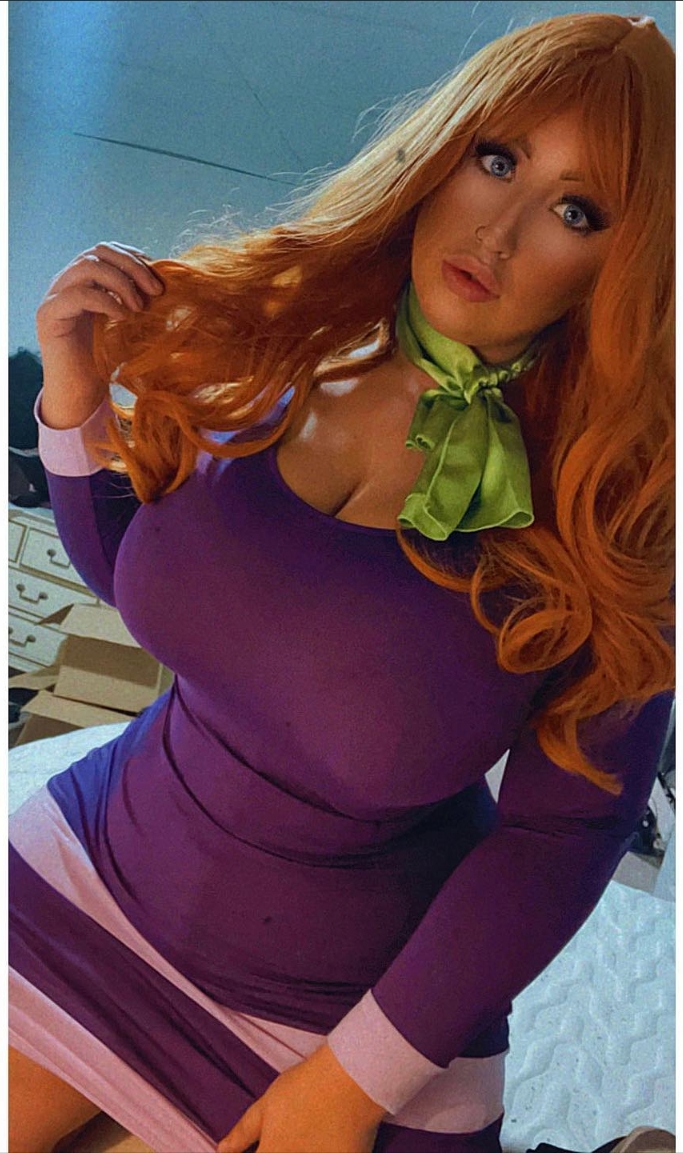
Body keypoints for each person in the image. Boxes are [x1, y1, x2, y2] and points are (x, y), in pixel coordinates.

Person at [9, 11, 674, 1153]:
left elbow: (562, 834)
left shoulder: (610, 523)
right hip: (94, 879)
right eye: (495, 158)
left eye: (576, 211)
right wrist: (72, 409)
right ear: (441, 148)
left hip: (348, 1016)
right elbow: (162, 595)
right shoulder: (274, 336)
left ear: (626, 264)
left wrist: (348, 1085)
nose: (498, 231)